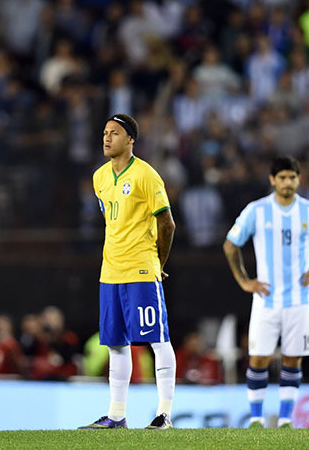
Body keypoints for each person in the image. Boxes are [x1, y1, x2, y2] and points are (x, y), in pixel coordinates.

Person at [222, 156, 309, 428]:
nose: (287, 182)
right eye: (282, 178)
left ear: (299, 179)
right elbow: (230, 244)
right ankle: (256, 418)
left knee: (293, 358)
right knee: (259, 358)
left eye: (292, 177)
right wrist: (244, 281)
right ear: (272, 180)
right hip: (266, 299)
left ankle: (286, 419)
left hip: (300, 298)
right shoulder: (256, 211)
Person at [78, 114, 177, 430]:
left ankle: (164, 414)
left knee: (157, 340)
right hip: (110, 272)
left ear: (131, 139)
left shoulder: (146, 175)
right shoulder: (99, 178)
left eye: (115, 133)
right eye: (105, 132)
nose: (107, 138)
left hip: (140, 269)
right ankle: (117, 415)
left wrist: (158, 263)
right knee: (116, 344)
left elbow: (167, 223)